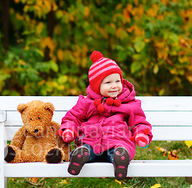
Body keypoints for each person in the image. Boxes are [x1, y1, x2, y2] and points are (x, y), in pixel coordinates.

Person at [57, 51, 153, 180]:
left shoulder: (129, 103)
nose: (114, 86)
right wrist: (69, 130)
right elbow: (73, 117)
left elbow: (139, 122)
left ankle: (120, 159)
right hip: (91, 140)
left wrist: (142, 134)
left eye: (117, 81)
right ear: (97, 86)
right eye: (108, 83)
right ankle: (81, 155)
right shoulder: (87, 103)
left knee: (120, 148)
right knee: (87, 147)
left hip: (117, 140)